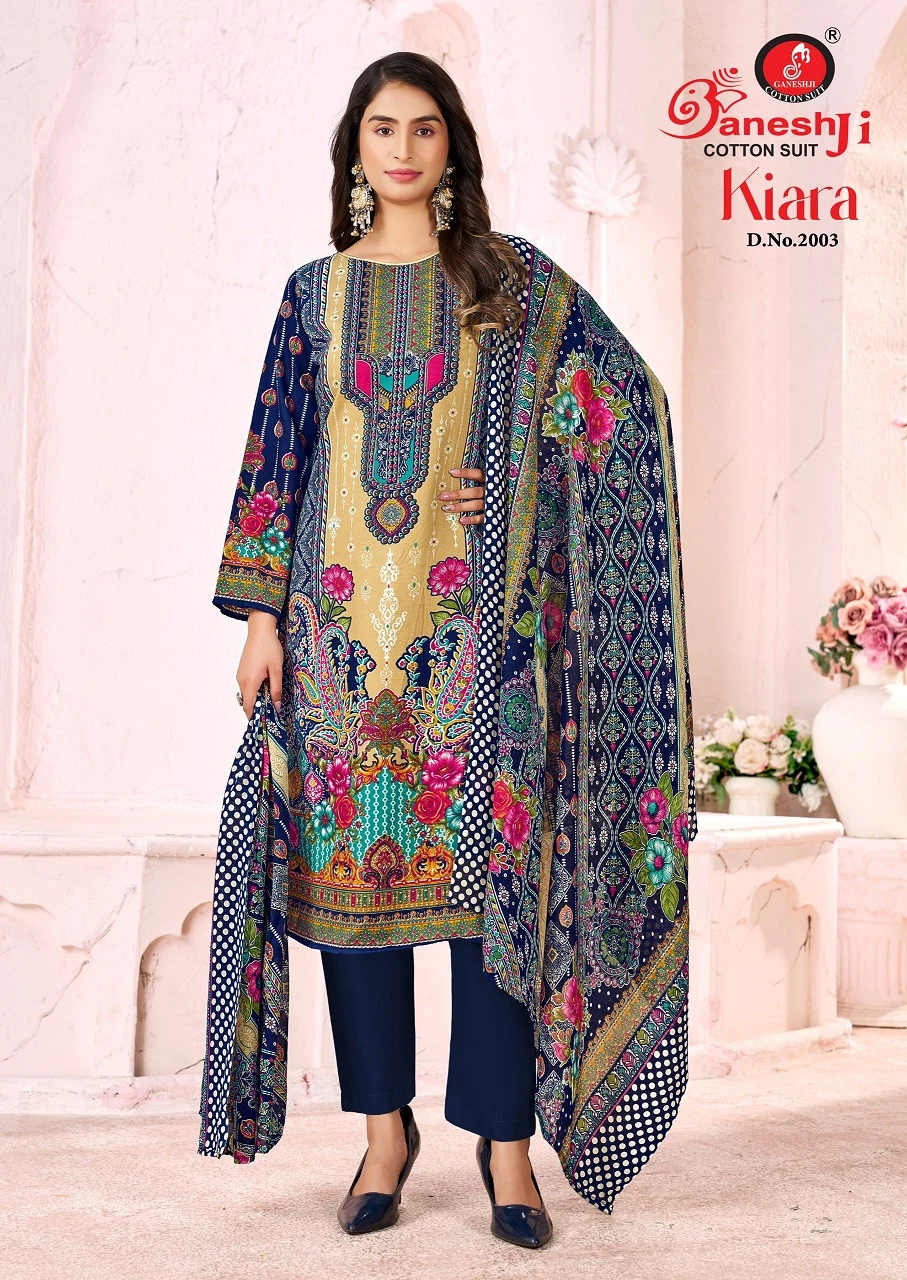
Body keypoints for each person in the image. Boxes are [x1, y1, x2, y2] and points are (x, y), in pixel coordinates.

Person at [198, 52, 697, 1250]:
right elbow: (274, 457)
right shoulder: (312, 293)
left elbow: (622, 400)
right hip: (332, 642)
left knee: (494, 896)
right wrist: (261, 621)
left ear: (452, 148)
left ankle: (504, 1144)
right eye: (383, 128)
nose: (404, 149)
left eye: (425, 129)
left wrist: (519, 475)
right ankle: (385, 1135)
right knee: (349, 896)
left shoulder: (507, 286)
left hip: (480, 639)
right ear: (355, 150)